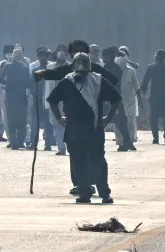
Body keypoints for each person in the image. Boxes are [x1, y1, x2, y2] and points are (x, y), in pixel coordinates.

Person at [48, 53, 122, 204]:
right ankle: (86, 192)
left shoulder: (98, 80)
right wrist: (59, 117)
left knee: (96, 162)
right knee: (82, 162)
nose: (80, 66)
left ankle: (103, 193)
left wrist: (108, 118)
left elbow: (116, 99)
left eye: (83, 62)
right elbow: (52, 100)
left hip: (91, 130)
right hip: (78, 131)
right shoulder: (68, 81)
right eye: (78, 62)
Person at [0, 46, 34, 149]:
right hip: (22, 97)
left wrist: (8, 83)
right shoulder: (25, 67)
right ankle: (20, 142)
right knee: (22, 121)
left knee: (11, 120)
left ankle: (13, 143)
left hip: (10, 96)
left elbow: (0, 79)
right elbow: (29, 82)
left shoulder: (8, 66)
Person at [102, 46, 137, 152]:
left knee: (118, 121)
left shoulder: (111, 68)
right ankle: (128, 143)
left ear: (110, 57)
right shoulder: (111, 67)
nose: (103, 58)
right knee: (120, 122)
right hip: (115, 97)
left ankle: (126, 143)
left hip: (112, 98)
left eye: (105, 56)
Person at [141, 49, 165, 144]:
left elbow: (145, 82)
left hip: (154, 96)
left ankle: (155, 137)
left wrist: (143, 92)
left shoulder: (151, 67)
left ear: (156, 57)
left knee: (153, 117)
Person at [46, 45, 71, 155]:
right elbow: (47, 85)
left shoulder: (71, 67)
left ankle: (70, 146)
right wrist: (47, 101)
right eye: (59, 51)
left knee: (69, 123)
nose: (61, 53)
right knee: (56, 123)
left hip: (68, 99)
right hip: (54, 99)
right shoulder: (50, 67)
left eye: (64, 51)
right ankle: (61, 148)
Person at [115, 51, 143, 147]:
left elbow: (137, 86)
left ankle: (129, 141)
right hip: (117, 101)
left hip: (130, 101)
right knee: (118, 123)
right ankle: (121, 143)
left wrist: (140, 99)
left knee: (130, 122)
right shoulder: (113, 71)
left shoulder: (131, 71)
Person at [0, 45, 15, 142]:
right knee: (3, 112)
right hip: (4, 90)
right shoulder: (1, 64)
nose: (9, 54)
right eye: (8, 52)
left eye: (11, 51)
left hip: (15, 90)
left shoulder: (18, 63)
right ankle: (0, 132)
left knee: (10, 112)